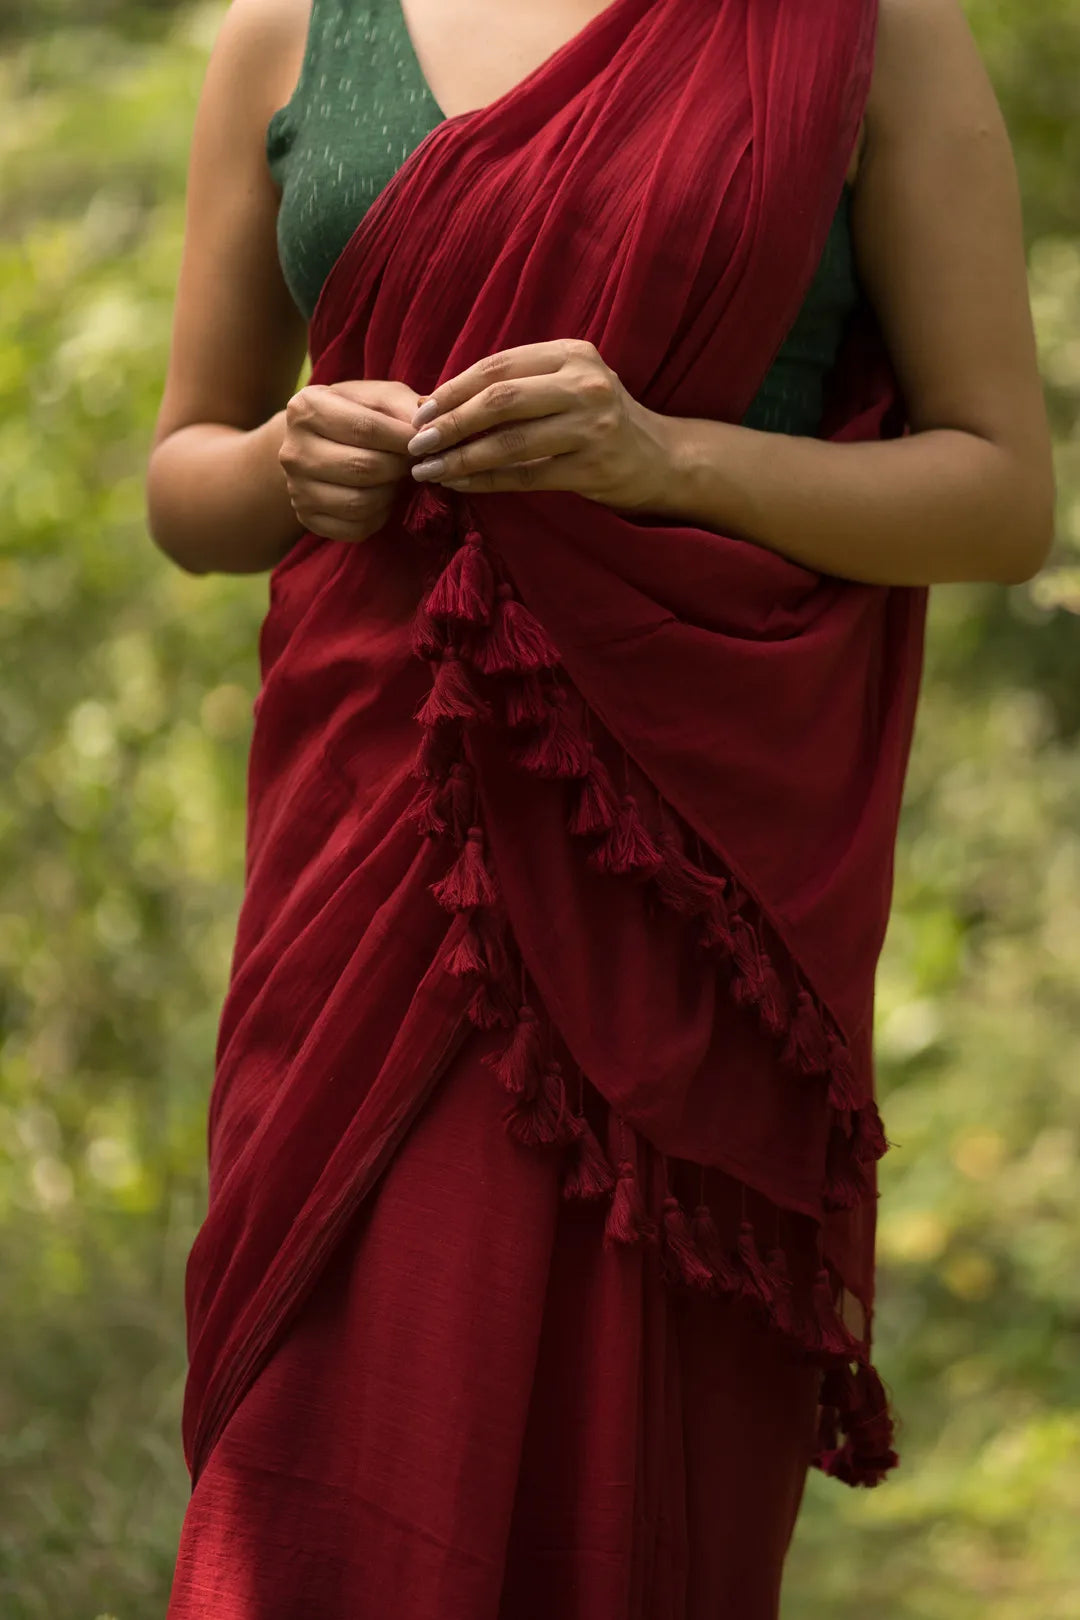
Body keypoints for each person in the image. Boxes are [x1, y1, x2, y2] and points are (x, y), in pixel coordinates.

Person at [147, 0, 1054, 1615]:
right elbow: (186, 483)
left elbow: (997, 495)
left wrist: (666, 461)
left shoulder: (861, 30)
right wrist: (286, 458)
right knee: (330, 1429)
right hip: (369, 845)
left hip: (676, 865)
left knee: (625, 1473)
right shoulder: (286, 29)